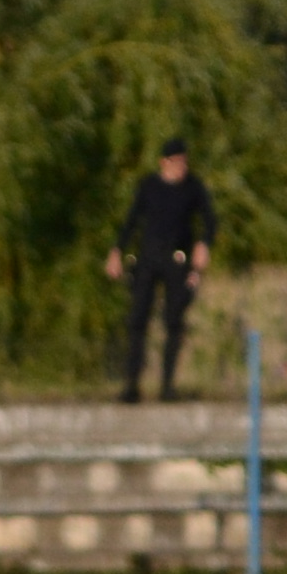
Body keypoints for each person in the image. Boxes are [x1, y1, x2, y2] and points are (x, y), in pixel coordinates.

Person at [105, 135, 217, 403]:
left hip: (177, 259)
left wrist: (204, 244)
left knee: (174, 320)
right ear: (164, 162)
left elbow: (210, 220)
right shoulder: (149, 186)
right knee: (138, 319)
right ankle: (132, 385)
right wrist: (117, 251)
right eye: (176, 162)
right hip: (148, 257)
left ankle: (167, 386)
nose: (181, 167)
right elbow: (132, 220)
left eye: (184, 162)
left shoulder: (193, 187)